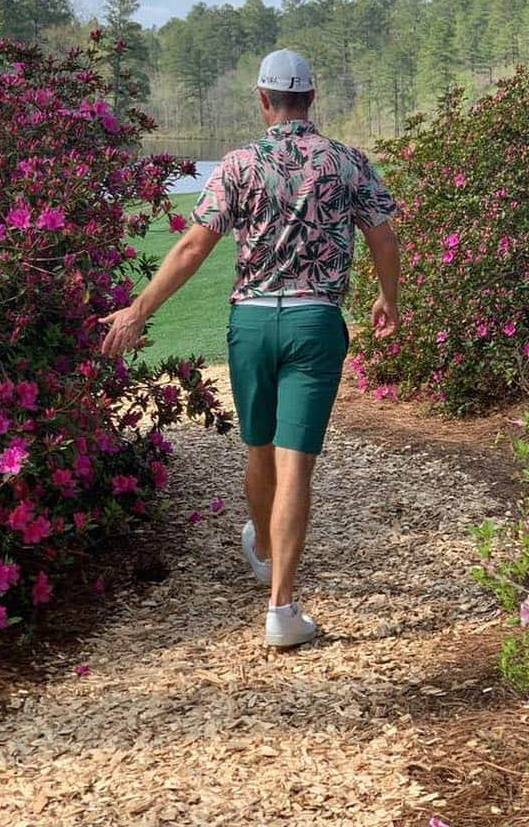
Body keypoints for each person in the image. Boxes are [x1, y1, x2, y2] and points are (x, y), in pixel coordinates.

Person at [101, 49, 400, 647]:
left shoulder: (239, 164)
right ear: (312, 99)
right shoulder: (347, 162)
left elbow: (191, 248)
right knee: (298, 466)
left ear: (263, 99)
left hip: (253, 324)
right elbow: (384, 236)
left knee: (258, 447)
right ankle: (281, 610)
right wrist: (390, 299)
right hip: (316, 322)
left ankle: (263, 546)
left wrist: (137, 310)